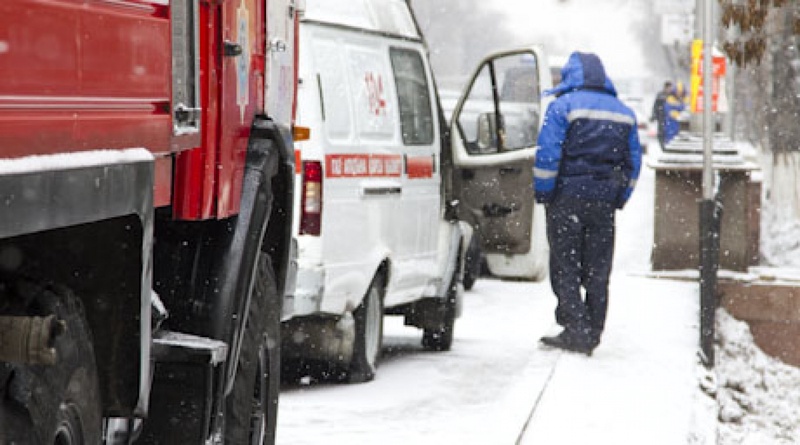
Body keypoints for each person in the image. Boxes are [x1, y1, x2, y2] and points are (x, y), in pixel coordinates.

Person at [533, 51, 642, 355]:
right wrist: (619, 196)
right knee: (598, 268)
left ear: (571, 76)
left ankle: (575, 328)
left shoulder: (563, 107)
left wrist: (544, 192)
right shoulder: (624, 112)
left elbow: (548, 155)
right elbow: (634, 163)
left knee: (565, 265)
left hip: (567, 198)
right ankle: (593, 329)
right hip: (604, 203)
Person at [650, 81, 672, 149]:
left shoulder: (672, 96)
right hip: (661, 117)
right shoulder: (660, 95)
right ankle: (663, 146)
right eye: (668, 88)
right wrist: (654, 115)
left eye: (670, 88)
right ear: (665, 87)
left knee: (668, 132)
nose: (669, 89)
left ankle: (667, 145)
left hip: (670, 118)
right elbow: (655, 106)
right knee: (661, 133)